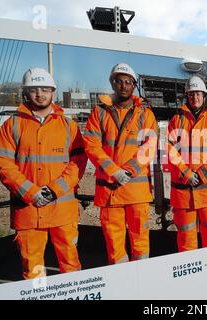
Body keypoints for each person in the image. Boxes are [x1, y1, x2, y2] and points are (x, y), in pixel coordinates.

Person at [0, 67, 87, 279]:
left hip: (62, 210)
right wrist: (30, 192)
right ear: (26, 92)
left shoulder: (68, 126)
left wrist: (54, 190)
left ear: (53, 92)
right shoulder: (13, 125)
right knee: (32, 270)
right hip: (28, 211)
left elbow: (78, 162)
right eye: (34, 89)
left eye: (45, 89)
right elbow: (3, 163)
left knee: (71, 265)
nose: (40, 94)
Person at [83, 63, 158, 264]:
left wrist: (129, 170)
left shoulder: (145, 114)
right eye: (119, 81)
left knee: (140, 242)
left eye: (128, 82)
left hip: (136, 192)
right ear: (112, 83)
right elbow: (91, 145)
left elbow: (149, 146)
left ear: (134, 86)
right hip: (110, 191)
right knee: (115, 247)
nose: (123, 86)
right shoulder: (99, 113)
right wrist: (114, 171)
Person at [167, 75, 207, 252]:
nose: (195, 97)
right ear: (187, 96)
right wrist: (186, 174)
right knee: (186, 241)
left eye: (198, 93)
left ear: (204, 96)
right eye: (191, 94)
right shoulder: (176, 121)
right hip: (184, 195)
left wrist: (202, 175)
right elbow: (170, 150)